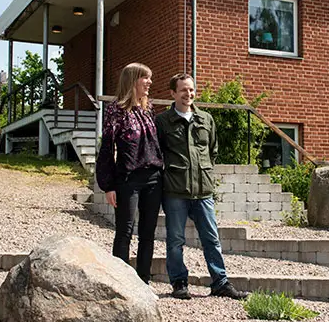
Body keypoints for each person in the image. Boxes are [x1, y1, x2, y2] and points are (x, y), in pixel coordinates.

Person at [155, 73, 246, 300]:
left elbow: (212, 151)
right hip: (175, 190)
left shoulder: (206, 119)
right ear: (173, 93)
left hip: (203, 191)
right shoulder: (163, 121)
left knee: (211, 239)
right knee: (176, 240)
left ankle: (220, 282)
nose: (189, 94)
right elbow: (157, 154)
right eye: (183, 90)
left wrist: (203, 173)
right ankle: (179, 282)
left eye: (192, 90)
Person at [95, 62, 163, 284]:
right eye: (145, 78)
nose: (150, 82)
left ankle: (143, 281)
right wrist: (108, 185)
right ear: (132, 80)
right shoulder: (116, 110)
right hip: (128, 179)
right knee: (124, 231)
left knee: (147, 232)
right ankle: (121, 282)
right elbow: (106, 148)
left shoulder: (148, 108)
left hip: (153, 178)